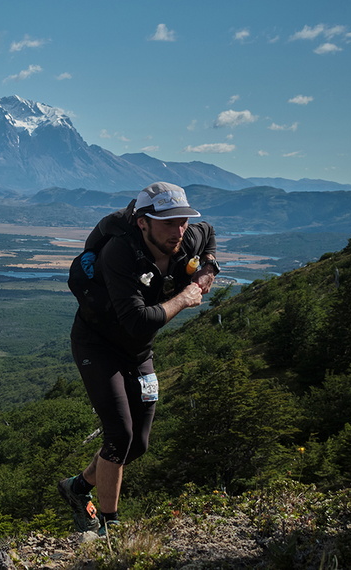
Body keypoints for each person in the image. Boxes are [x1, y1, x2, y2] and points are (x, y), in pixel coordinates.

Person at [58, 181, 219, 535]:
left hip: (138, 351)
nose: (178, 231)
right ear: (142, 222)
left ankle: (77, 486)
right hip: (97, 345)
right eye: (168, 223)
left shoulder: (188, 236)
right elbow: (136, 321)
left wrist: (209, 266)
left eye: (182, 221)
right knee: (119, 435)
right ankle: (110, 527)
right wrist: (186, 296)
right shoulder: (120, 252)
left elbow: (207, 234)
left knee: (138, 444)